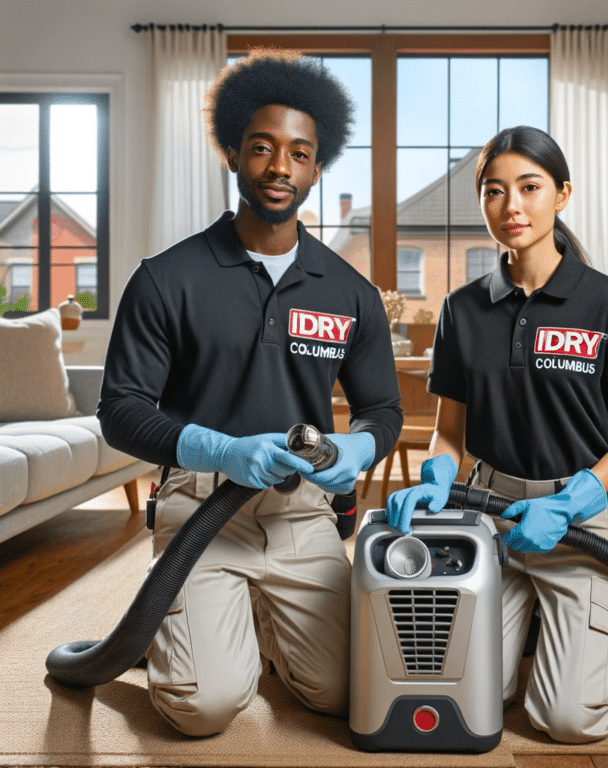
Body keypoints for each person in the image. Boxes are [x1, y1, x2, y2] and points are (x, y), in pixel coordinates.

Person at [98, 48, 402, 737]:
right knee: (202, 709)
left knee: (348, 695)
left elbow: (384, 409)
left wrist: (361, 445)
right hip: (201, 509)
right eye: (263, 149)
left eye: (299, 154)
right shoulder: (166, 279)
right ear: (234, 153)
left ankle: (239, 626)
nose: (279, 168)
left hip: (302, 516)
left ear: (316, 169)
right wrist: (219, 450)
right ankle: (178, 631)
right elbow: (119, 410)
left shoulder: (350, 293)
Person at [386, 126, 608, 744]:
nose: (512, 207)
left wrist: (568, 503)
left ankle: (579, 634)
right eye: (494, 191)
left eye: (529, 187)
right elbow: (449, 434)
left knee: (566, 721)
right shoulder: (461, 308)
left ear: (561, 194)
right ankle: (539, 636)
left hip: (582, 521)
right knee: (458, 692)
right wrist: (435, 481)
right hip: (492, 518)